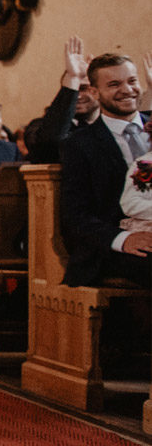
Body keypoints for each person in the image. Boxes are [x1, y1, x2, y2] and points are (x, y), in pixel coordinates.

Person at [59, 52, 152, 287]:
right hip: (115, 245)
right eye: (114, 84)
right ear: (94, 92)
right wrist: (123, 239)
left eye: (132, 81)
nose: (127, 90)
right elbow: (75, 216)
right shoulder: (79, 144)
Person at [25, 36, 98, 163]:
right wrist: (72, 79)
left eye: (84, 88)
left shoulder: (110, 125)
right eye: (75, 90)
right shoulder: (38, 127)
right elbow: (50, 142)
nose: (78, 96)